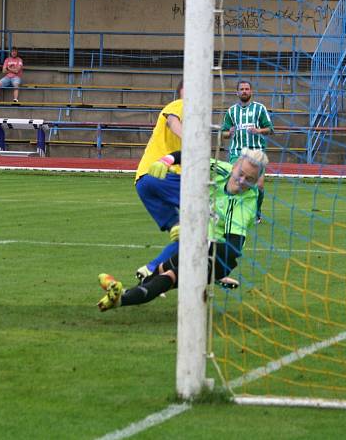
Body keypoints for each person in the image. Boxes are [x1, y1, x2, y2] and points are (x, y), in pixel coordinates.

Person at [97, 148, 269, 311]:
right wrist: (167, 160)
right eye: (241, 174)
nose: (241, 181)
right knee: (158, 273)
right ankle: (120, 296)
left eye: (250, 179)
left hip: (219, 258)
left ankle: (121, 300)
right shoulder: (222, 170)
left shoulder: (245, 203)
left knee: (171, 276)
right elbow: (190, 157)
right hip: (198, 243)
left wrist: (193, 236)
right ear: (235, 166)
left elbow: (232, 248)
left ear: (256, 181)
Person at [133, 82, 184, 279]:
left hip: (143, 181)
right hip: (163, 175)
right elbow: (173, 121)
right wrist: (191, 138)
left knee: (185, 237)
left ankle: (150, 271)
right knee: (210, 218)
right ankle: (217, 272)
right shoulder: (181, 104)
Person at [220, 80, 273, 223]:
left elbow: (270, 129)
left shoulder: (260, 109)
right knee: (234, 183)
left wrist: (258, 130)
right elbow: (223, 133)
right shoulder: (231, 111)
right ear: (237, 92)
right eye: (242, 89)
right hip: (237, 152)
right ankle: (232, 212)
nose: (244, 91)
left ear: (251, 91)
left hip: (256, 153)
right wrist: (229, 133)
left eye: (247, 89)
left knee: (259, 185)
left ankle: (256, 213)